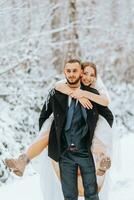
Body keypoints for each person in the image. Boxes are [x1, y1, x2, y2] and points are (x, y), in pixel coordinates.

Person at [5, 60, 113, 198]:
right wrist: (52, 141)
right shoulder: (57, 92)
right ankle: (23, 160)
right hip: (64, 152)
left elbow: (107, 113)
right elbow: (44, 115)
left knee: (91, 194)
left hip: (85, 150)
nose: (72, 74)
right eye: (69, 71)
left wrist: (97, 127)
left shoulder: (93, 93)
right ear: (64, 72)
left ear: (79, 72)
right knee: (68, 195)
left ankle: (101, 160)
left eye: (75, 71)